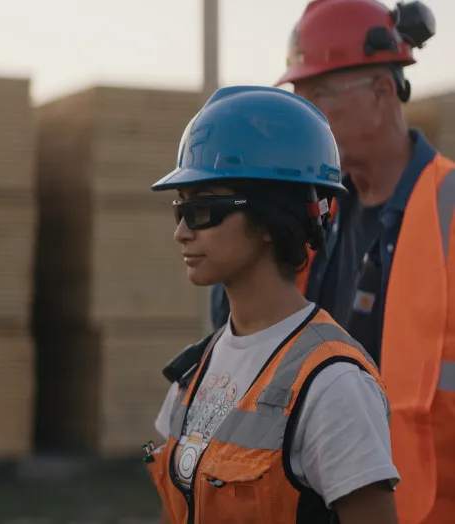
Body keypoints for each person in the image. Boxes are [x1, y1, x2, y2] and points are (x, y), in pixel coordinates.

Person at [210, 2, 455, 522]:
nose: (304, 117)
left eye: (318, 96)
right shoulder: (312, 212)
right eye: (299, 98)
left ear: (383, 91)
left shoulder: (449, 210)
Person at [146, 86, 399, 524]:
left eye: (203, 210)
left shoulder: (335, 387)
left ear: (269, 220)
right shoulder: (190, 376)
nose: (182, 232)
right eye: (179, 210)